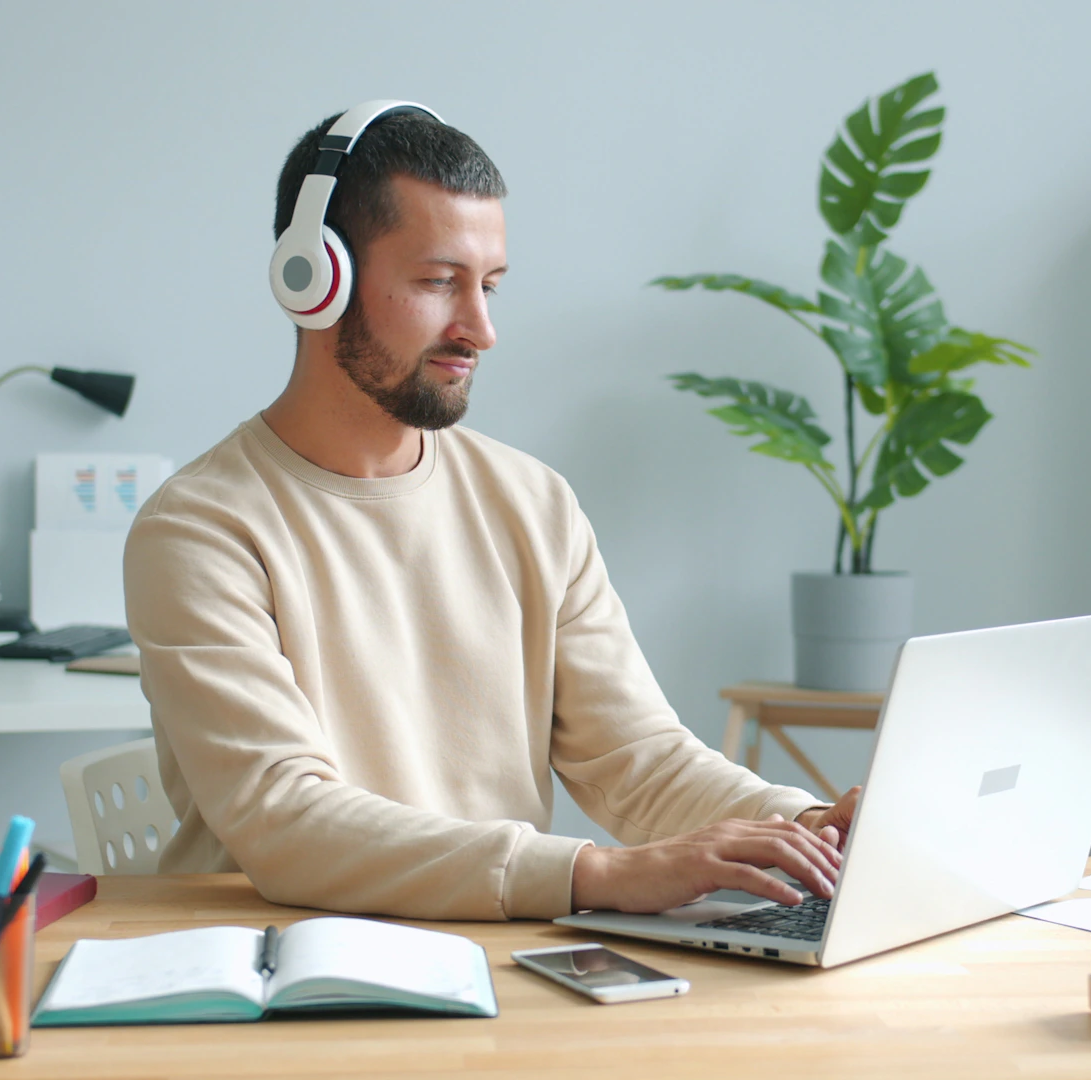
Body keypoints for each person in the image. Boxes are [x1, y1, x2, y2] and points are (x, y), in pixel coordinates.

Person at [124, 104, 861, 921]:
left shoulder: (532, 502)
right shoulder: (197, 530)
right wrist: (597, 875)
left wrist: (805, 825)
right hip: (284, 977)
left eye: (491, 286)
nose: (481, 328)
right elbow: (284, 816)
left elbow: (638, 758)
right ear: (315, 279)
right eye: (440, 282)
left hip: (491, 961)